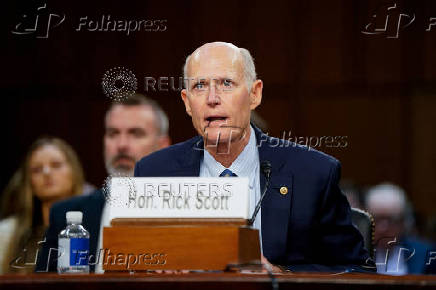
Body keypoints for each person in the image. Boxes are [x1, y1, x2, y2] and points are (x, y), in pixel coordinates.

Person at [134, 42, 374, 272]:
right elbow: (133, 265)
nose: (212, 98)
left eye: (226, 83)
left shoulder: (313, 174)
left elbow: (358, 271)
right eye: (200, 86)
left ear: (254, 94)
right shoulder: (154, 172)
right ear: (187, 103)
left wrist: (280, 274)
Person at [35, 94, 170, 272]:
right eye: (113, 133)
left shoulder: (186, 211)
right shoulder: (64, 215)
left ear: (163, 145)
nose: (121, 145)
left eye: (135, 133)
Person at [0, 137, 86, 273]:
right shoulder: (7, 234)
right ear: (29, 181)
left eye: (56, 165)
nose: (46, 173)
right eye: (36, 169)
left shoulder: (92, 225)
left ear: (74, 172)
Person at [364, 183, 436, 274]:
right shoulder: (354, 253)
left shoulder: (425, 254)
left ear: (403, 222)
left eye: (391, 220)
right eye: (376, 219)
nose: (383, 228)